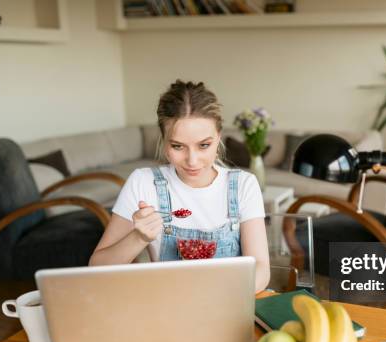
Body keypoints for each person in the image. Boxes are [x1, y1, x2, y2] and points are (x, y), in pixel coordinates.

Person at [89, 80, 270, 292]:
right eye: (178, 146)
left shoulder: (243, 185)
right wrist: (138, 238)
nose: (192, 161)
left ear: (218, 138)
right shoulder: (143, 182)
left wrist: (220, 297)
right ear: (164, 143)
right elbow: (96, 269)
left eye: (204, 145)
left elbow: (261, 268)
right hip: (166, 306)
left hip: (229, 303)